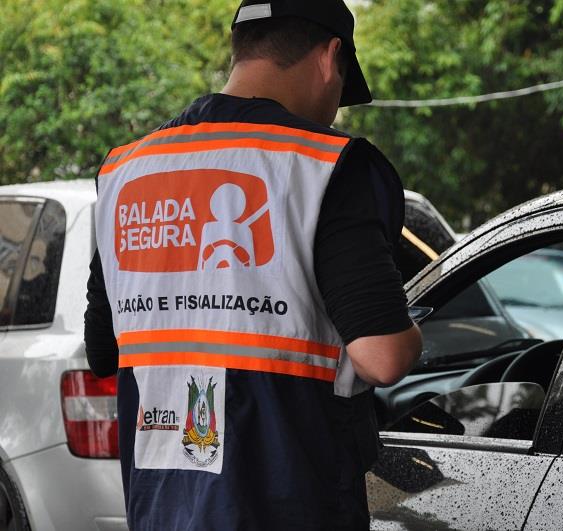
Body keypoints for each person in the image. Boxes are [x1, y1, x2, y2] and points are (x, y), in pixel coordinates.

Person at [83, 1, 422, 529]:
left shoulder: (126, 170)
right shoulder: (328, 166)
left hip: (162, 509)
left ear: (242, 48)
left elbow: (104, 351)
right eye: (340, 90)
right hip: (291, 505)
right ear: (331, 58)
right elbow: (383, 358)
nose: (333, 108)